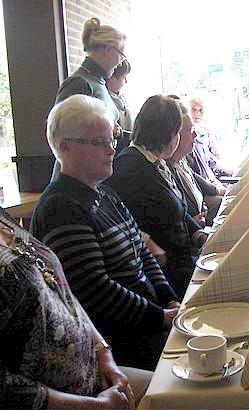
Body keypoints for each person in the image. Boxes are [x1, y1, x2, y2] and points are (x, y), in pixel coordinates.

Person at [31, 95, 180, 371]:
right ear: (65, 147)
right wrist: (160, 317)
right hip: (118, 349)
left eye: (111, 140)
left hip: (149, 327)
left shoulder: (105, 193)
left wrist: (169, 297)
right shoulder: (60, 207)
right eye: (99, 143)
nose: (111, 150)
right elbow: (96, 292)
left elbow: (142, 252)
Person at [0, 208, 153, 410]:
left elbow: (61, 289)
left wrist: (104, 354)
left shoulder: (3, 218)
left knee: (175, 393)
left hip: (98, 377)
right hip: (65, 406)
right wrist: (95, 407)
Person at [105, 95, 208, 298]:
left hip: (184, 260)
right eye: (179, 132)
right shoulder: (129, 167)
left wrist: (200, 235)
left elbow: (179, 210)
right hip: (167, 273)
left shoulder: (156, 161)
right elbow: (126, 223)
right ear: (168, 134)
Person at [51, 17, 127, 179]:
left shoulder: (97, 82)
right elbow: (59, 133)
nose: (121, 63)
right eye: (122, 56)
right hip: (75, 181)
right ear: (108, 50)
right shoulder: (79, 83)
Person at [167, 96, 223, 226]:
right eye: (189, 130)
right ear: (175, 134)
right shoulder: (166, 166)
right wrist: (192, 226)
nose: (195, 135)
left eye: (201, 110)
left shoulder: (182, 160)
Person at [189, 96, 232, 181]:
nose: (197, 114)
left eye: (201, 110)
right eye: (194, 110)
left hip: (212, 174)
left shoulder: (207, 131)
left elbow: (216, 154)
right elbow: (208, 158)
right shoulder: (189, 134)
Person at [107, 59, 132, 153]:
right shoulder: (103, 101)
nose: (126, 81)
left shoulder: (122, 98)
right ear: (112, 77)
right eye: (123, 77)